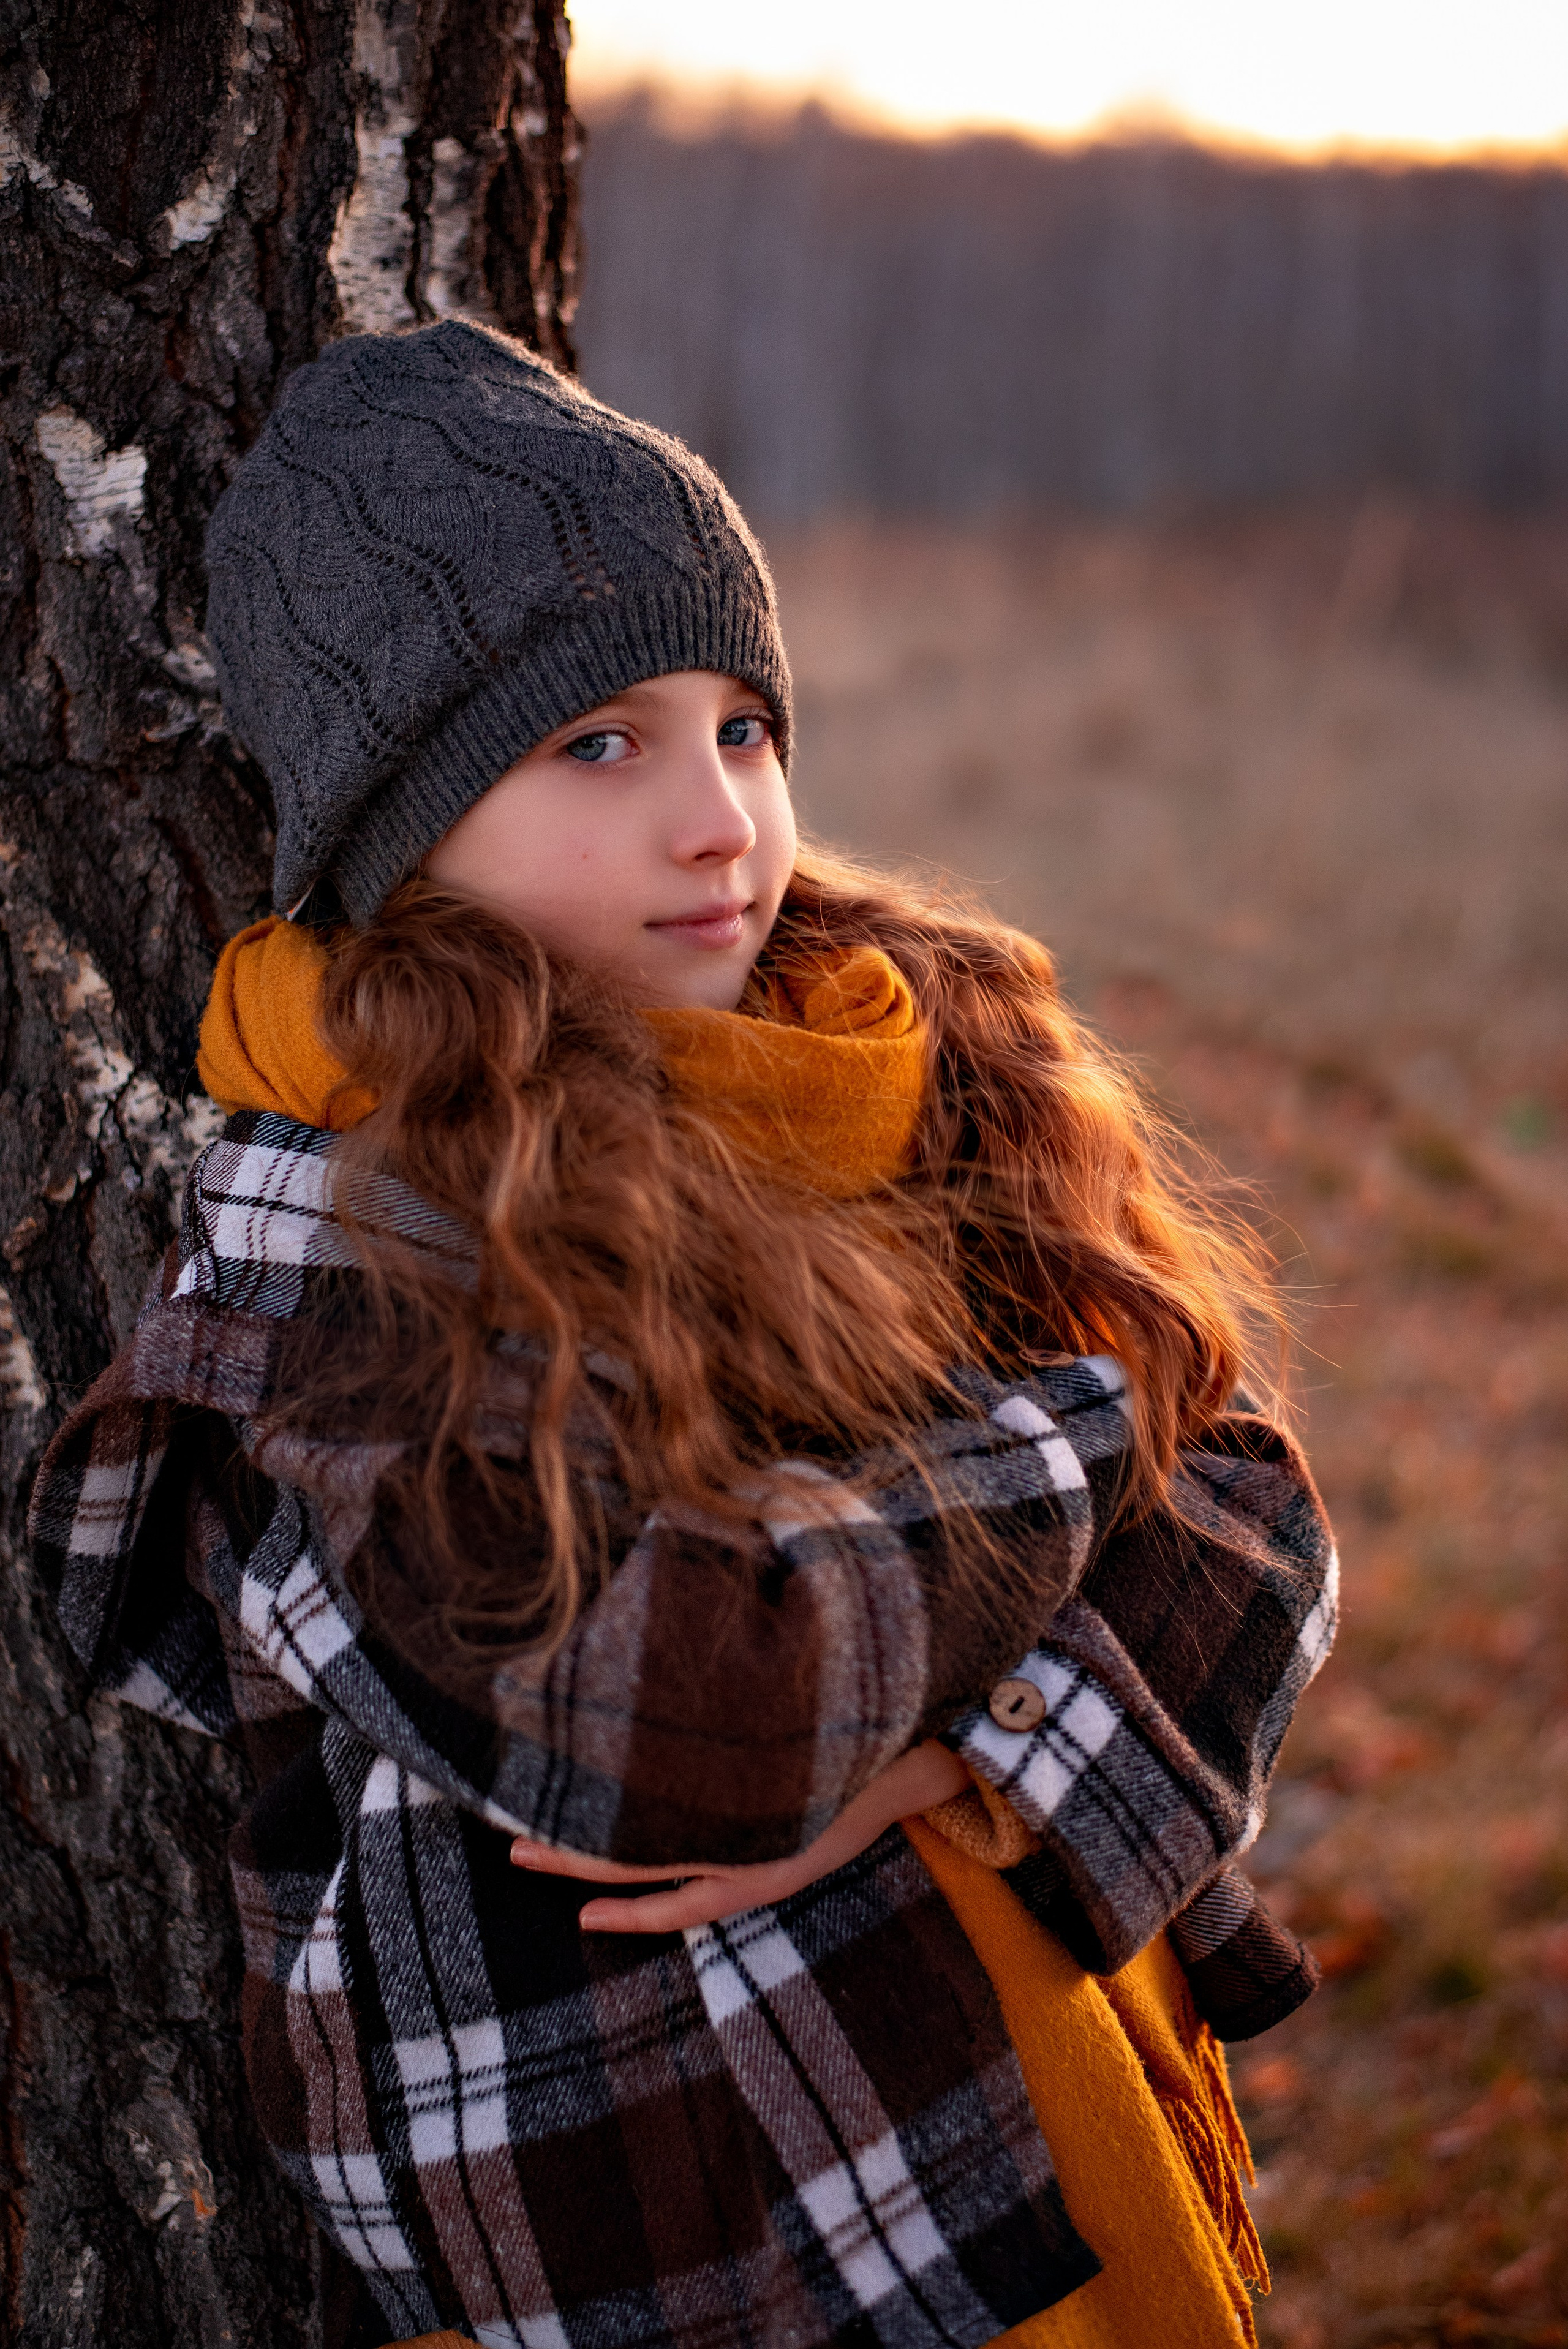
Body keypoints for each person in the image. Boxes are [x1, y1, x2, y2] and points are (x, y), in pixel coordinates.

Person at [29, 321, 1336, 2349]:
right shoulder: (350, 1246)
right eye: (600, 745)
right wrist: (1094, 1443)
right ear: (404, 819)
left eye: (745, 725)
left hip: (1054, 2129)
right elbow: (678, 1715)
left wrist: (950, 1764)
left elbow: (1262, 1515)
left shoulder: (900, 1067)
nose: (723, 822)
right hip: (711, 2238)